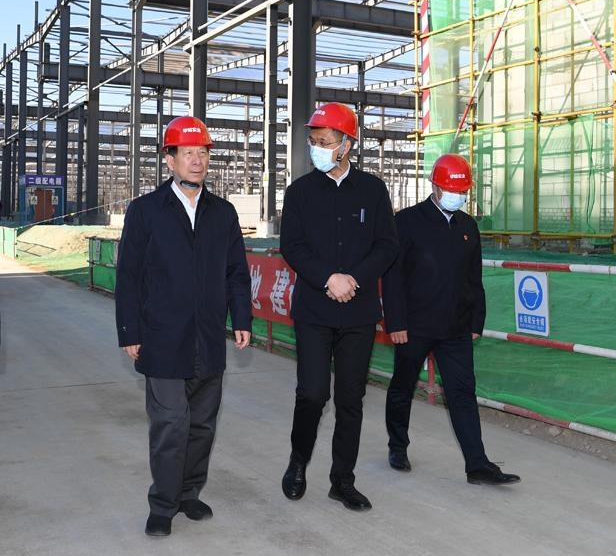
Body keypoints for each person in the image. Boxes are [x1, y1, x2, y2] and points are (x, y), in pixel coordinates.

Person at [115, 115, 252, 536]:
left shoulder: (223, 213)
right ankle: (163, 503)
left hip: (208, 336)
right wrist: (130, 331)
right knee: (170, 423)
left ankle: (189, 493)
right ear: (169, 159)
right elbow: (129, 275)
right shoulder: (146, 211)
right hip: (162, 337)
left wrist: (241, 318)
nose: (197, 160)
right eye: (188, 152)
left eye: (203, 152)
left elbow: (236, 271)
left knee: (203, 424)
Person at [279, 102, 398, 511]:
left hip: (358, 313)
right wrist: (329, 278)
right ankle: (298, 461)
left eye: (325, 141)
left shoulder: (373, 190)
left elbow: (387, 245)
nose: (317, 148)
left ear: (347, 144)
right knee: (312, 394)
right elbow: (292, 246)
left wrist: (354, 279)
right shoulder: (299, 192)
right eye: (313, 141)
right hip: (314, 310)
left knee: (351, 399)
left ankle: (342, 480)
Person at [381, 153, 520, 486]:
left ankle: (477, 465)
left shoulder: (467, 226)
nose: (458, 196)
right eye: (452, 190)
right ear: (435, 186)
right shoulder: (407, 222)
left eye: (463, 191)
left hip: (456, 327)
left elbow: (474, 278)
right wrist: (396, 323)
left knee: (462, 393)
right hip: (414, 326)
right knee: (402, 387)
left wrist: (476, 322)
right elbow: (393, 277)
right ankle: (398, 446)